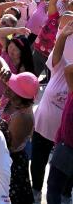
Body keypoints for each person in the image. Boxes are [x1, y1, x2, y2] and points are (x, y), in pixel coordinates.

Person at [31, 22, 73, 202]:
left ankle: (65, 194)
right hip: (43, 127)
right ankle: (36, 190)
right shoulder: (61, 69)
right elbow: (58, 55)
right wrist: (63, 35)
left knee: (62, 174)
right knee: (37, 162)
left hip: (66, 139)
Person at [0, 70, 38, 204]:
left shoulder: (22, 117)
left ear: (20, 96)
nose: (7, 86)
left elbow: (8, 147)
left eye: (12, 86)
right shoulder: (11, 101)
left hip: (10, 164)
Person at [46, 63, 73, 204]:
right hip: (65, 146)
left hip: (67, 148)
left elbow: (69, 70)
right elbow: (69, 70)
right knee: (61, 189)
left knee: (54, 189)